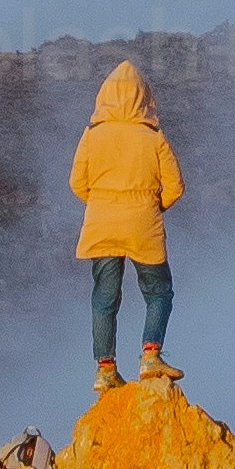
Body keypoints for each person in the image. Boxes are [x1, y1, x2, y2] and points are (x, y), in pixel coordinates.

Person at [70, 55, 184, 391]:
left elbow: (77, 184)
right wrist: (153, 207)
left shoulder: (92, 136)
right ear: (143, 97)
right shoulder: (153, 137)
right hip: (142, 225)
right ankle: (150, 356)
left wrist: (102, 204)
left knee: (105, 298)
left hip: (101, 225)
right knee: (159, 292)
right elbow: (175, 186)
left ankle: (105, 369)